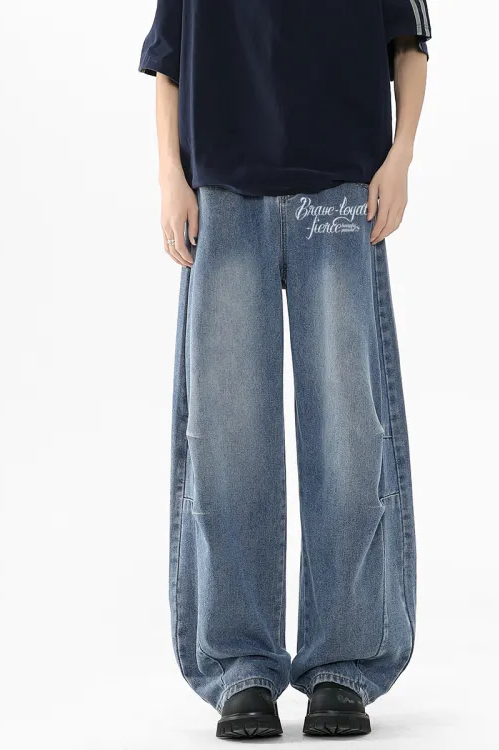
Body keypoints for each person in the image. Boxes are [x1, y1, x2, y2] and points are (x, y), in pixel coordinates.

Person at [138, 0, 431, 739]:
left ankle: (344, 663)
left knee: (349, 432)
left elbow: (409, 42)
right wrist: (170, 176)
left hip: (341, 193)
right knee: (226, 437)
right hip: (222, 197)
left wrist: (401, 157)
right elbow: (169, 58)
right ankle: (241, 666)